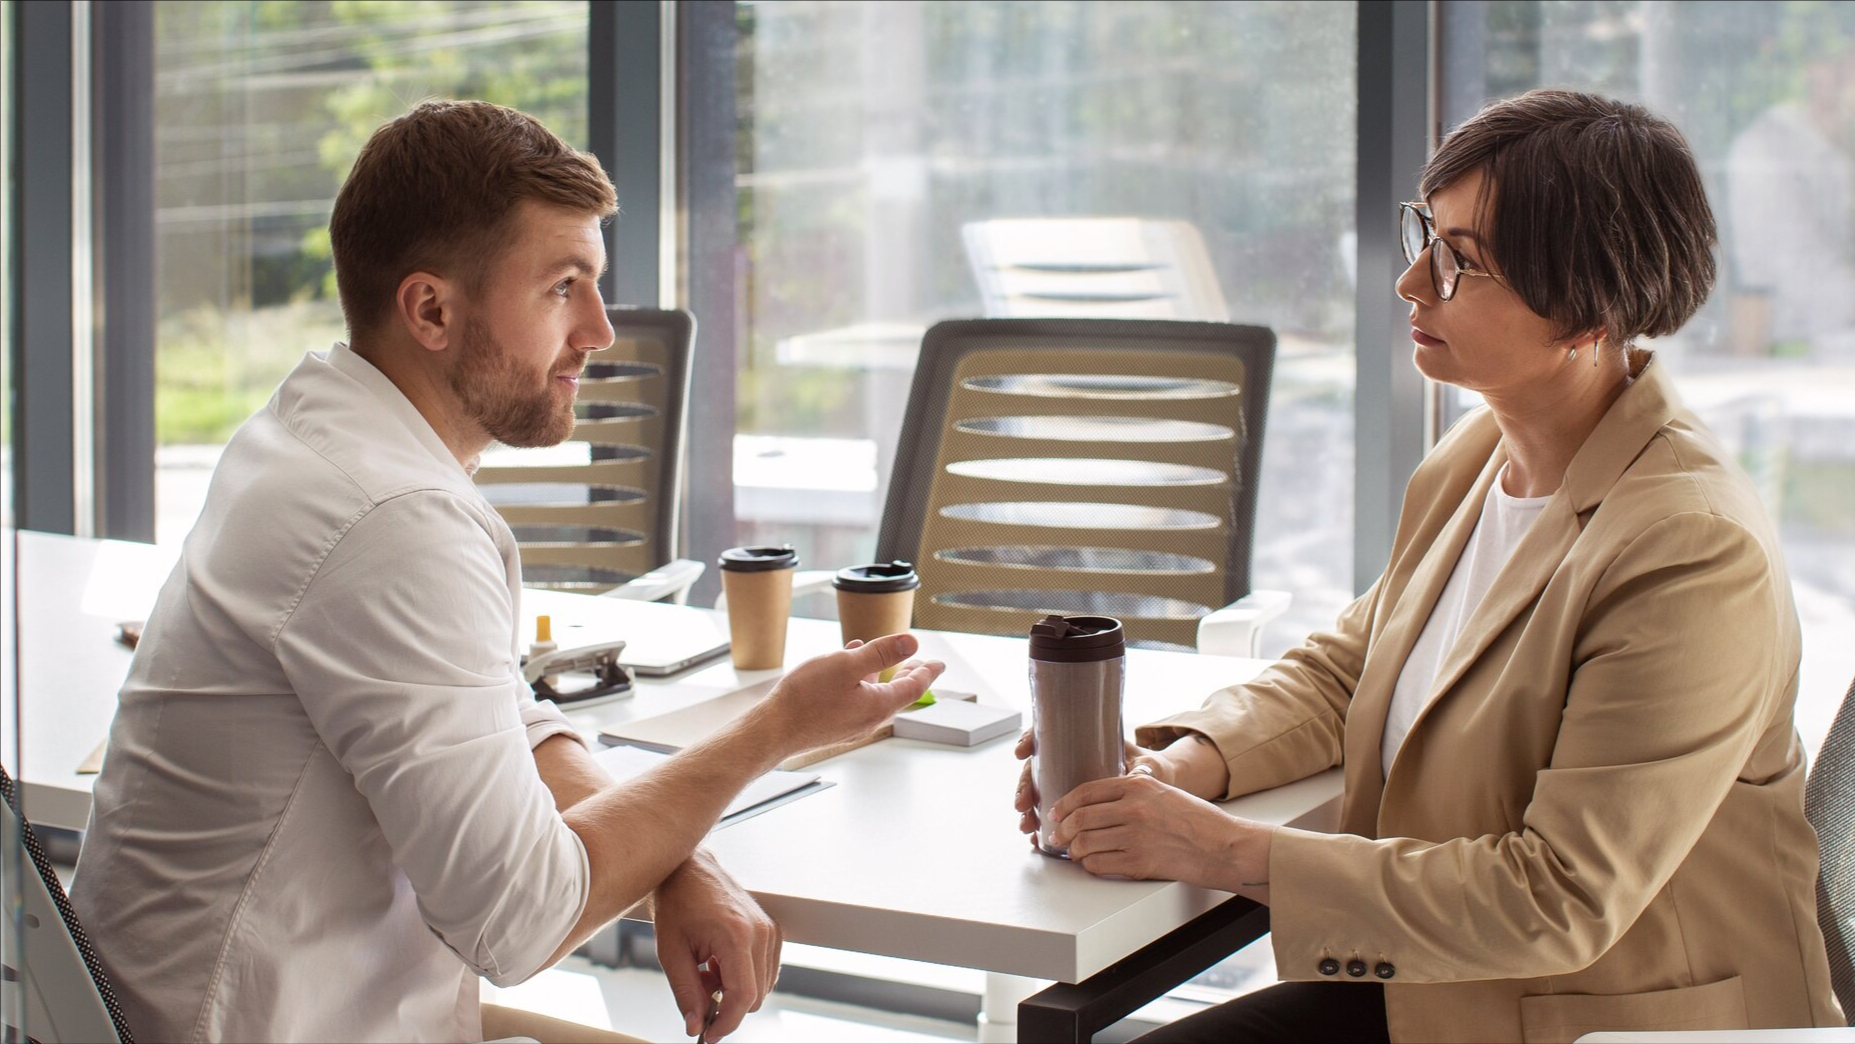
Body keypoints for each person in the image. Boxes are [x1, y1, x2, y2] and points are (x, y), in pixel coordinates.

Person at [71, 100, 944, 1044]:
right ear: (431, 309)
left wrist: (680, 861)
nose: (601, 330)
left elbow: (504, 718)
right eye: (563, 287)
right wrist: (775, 728)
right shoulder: (392, 519)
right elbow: (519, 923)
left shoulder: (314, 432)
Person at [1015, 89, 1844, 1042]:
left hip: (1606, 1019)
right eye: (1427, 236)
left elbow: (1559, 897)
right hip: (1454, 986)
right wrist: (1180, 767)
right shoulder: (1477, 456)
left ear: (1585, 311)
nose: (1411, 283)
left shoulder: (1690, 550)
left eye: (1461, 264)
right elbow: (1346, 670)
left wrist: (1225, 852)